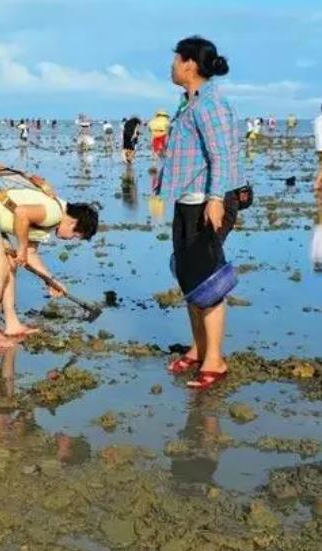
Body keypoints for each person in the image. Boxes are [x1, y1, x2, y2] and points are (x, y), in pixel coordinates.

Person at [159, 36, 242, 389]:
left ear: (190, 64)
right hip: (187, 199)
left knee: (209, 279)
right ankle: (198, 349)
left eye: (176, 59)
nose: (172, 66)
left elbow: (221, 155)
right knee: (190, 277)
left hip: (208, 201)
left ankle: (215, 360)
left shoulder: (210, 105)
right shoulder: (188, 103)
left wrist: (216, 199)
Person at [0, 168, 98, 346]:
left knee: (10, 265)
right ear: (73, 222)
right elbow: (21, 213)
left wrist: (51, 280)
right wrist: (22, 248)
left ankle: (12, 324)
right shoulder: (54, 213)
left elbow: (31, 255)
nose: (69, 238)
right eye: (74, 235)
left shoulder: (52, 220)